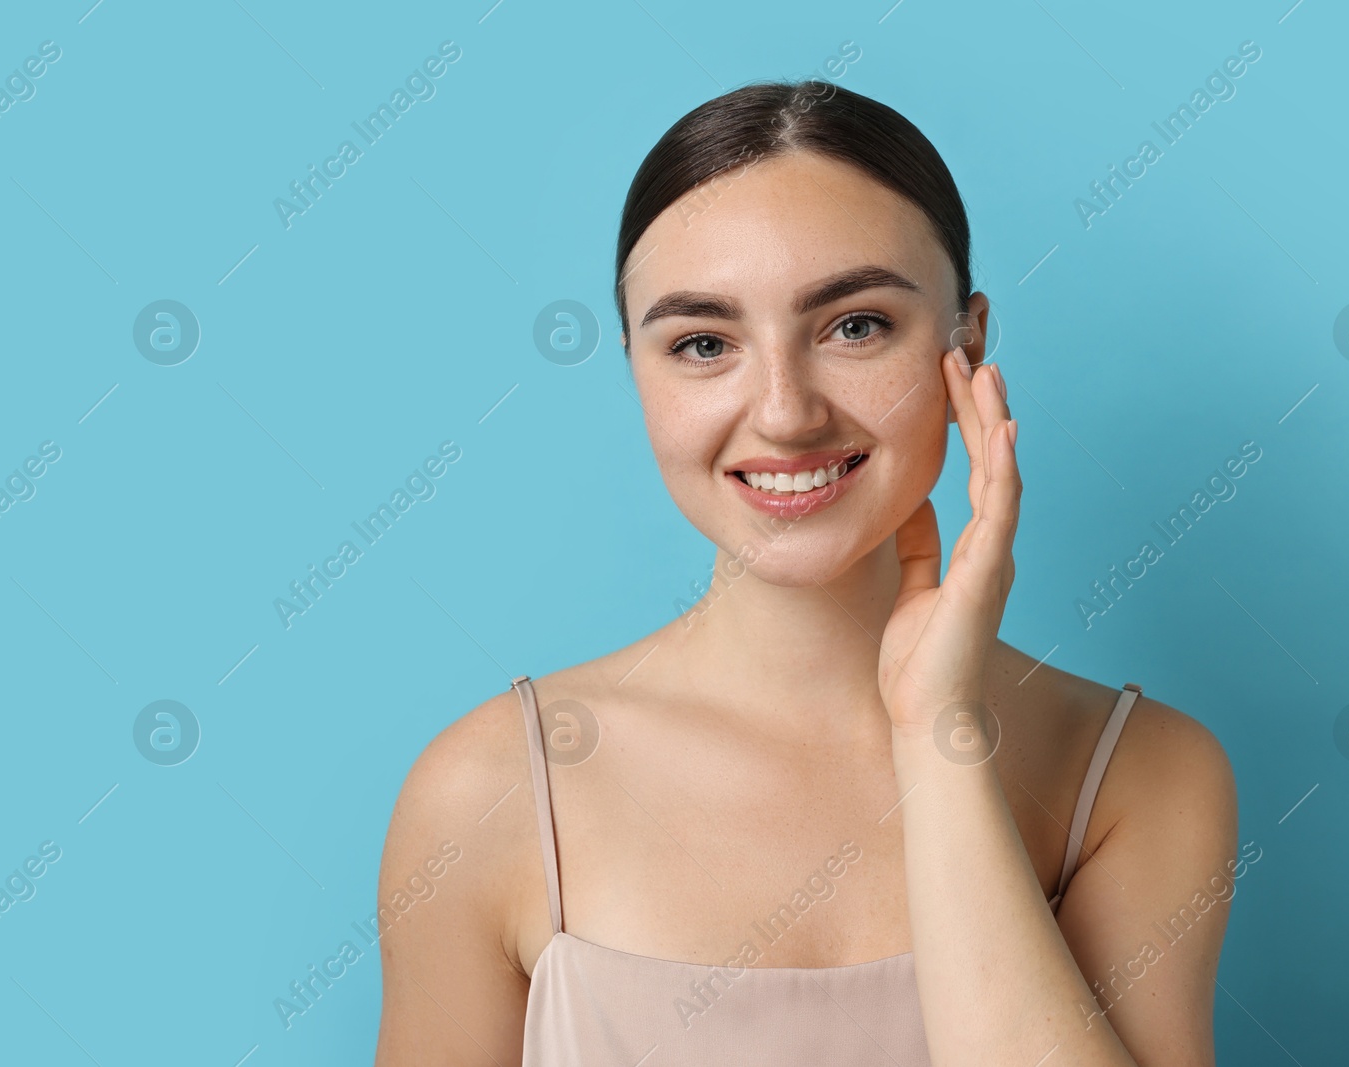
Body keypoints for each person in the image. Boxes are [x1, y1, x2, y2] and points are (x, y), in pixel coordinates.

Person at [373, 79, 1238, 1067]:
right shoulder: (486, 793)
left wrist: (939, 736)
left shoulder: (1141, 774)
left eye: (855, 325)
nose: (784, 412)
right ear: (635, 370)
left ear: (968, 344)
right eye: (703, 342)